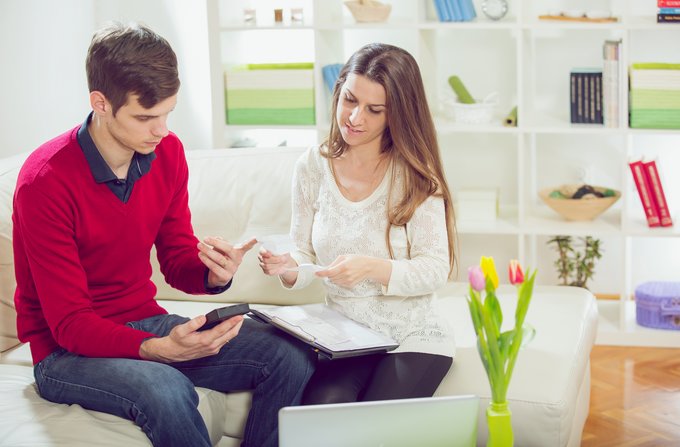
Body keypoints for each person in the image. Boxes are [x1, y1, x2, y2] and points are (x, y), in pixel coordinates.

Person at [12, 22, 315, 447]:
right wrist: (157, 349)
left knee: (289, 355)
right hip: (66, 353)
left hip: (143, 318)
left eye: (168, 112)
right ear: (100, 103)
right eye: (146, 117)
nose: (162, 129)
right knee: (166, 387)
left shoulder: (166, 153)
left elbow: (176, 260)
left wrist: (214, 275)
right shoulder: (44, 182)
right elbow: (69, 324)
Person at [258, 43, 456, 404]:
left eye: (374, 109)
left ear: (397, 114)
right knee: (320, 413)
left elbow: (435, 269)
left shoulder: (416, 177)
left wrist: (373, 268)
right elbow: (302, 251)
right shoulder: (311, 166)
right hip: (347, 335)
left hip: (415, 335)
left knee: (376, 424)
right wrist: (288, 269)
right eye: (349, 100)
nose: (355, 117)